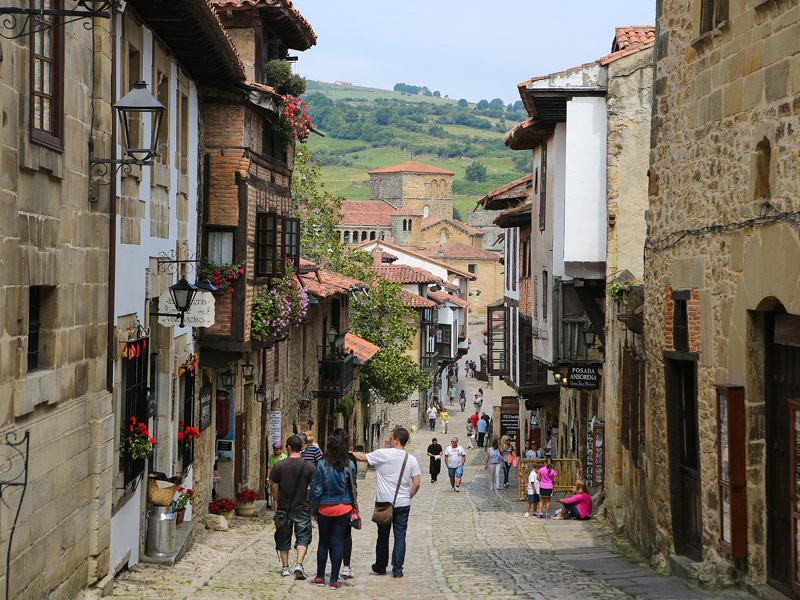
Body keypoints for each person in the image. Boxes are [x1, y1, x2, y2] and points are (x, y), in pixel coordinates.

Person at [350, 427, 421, 578]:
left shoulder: (383, 454)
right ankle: (398, 570)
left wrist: (346, 453)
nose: (389, 441)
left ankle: (381, 566)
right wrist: (408, 497)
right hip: (403, 503)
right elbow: (417, 483)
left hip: (384, 503)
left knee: (382, 535)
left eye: (391, 438)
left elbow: (361, 457)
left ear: (396, 439)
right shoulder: (411, 459)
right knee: (400, 536)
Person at [307, 434, 358, 589]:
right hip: (343, 508)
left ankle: (320, 577)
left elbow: (317, 489)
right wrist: (354, 507)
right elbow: (353, 488)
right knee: (337, 542)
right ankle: (334, 579)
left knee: (323, 542)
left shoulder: (322, 465)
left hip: (325, 508)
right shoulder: (349, 465)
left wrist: (314, 509)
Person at [269, 435, 316, 579]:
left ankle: (284, 567)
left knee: (283, 536)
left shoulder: (279, 466)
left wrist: (276, 501)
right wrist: (313, 505)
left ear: (288, 448)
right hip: (302, 506)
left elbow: (274, 486)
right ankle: (299, 564)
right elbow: (314, 488)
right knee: (303, 536)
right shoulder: (309, 466)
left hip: (284, 507)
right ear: (302, 447)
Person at [329, 428, 357, 580]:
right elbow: (353, 486)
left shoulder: (324, 461)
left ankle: (334, 568)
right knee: (346, 535)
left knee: (330, 538)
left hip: (327, 505)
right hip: (345, 503)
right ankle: (346, 567)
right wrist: (354, 505)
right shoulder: (350, 461)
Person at [267, 441, 287, 508]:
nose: (276, 451)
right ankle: (276, 511)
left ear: (281, 449)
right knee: (275, 496)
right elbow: (269, 468)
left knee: (283, 495)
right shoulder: (271, 457)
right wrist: (268, 478)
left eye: (277, 449)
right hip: (274, 479)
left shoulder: (284, 457)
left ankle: (282, 508)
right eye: (274, 449)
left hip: (283, 479)